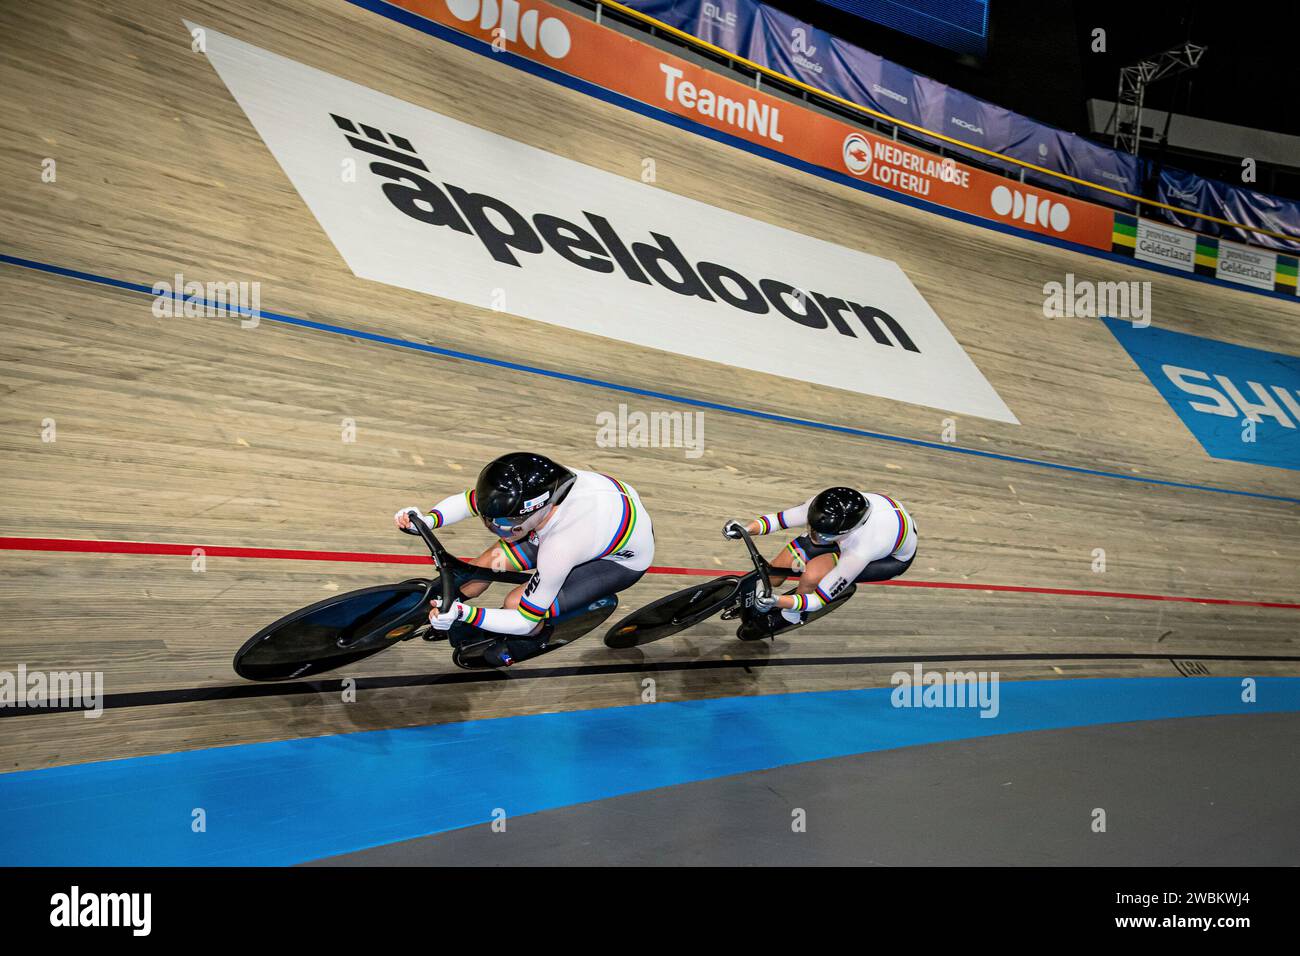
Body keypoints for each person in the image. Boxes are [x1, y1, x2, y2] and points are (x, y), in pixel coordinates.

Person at [394, 452, 653, 666]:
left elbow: (523, 619)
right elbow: (467, 502)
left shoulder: (561, 547)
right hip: (580, 525)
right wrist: (427, 520)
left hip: (616, 562)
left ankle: (532, 641)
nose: (498, 529)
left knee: (516, 602)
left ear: (540, 509)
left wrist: (463, 613)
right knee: (480, 570)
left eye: (506, 523)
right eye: (490, 520)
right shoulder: (528, 490)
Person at [722, 487, 916, 637]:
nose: (813, 536)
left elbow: (817, 601)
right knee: (780, 565)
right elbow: (778, 520)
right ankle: (758, 597)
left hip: (888, 559)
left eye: (821, 535)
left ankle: (792, 616)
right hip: (854, 531)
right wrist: (746, 529)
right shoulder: (822, 505)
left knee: (812, 575)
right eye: (811, 528)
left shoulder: (861, 549)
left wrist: (778, 601)